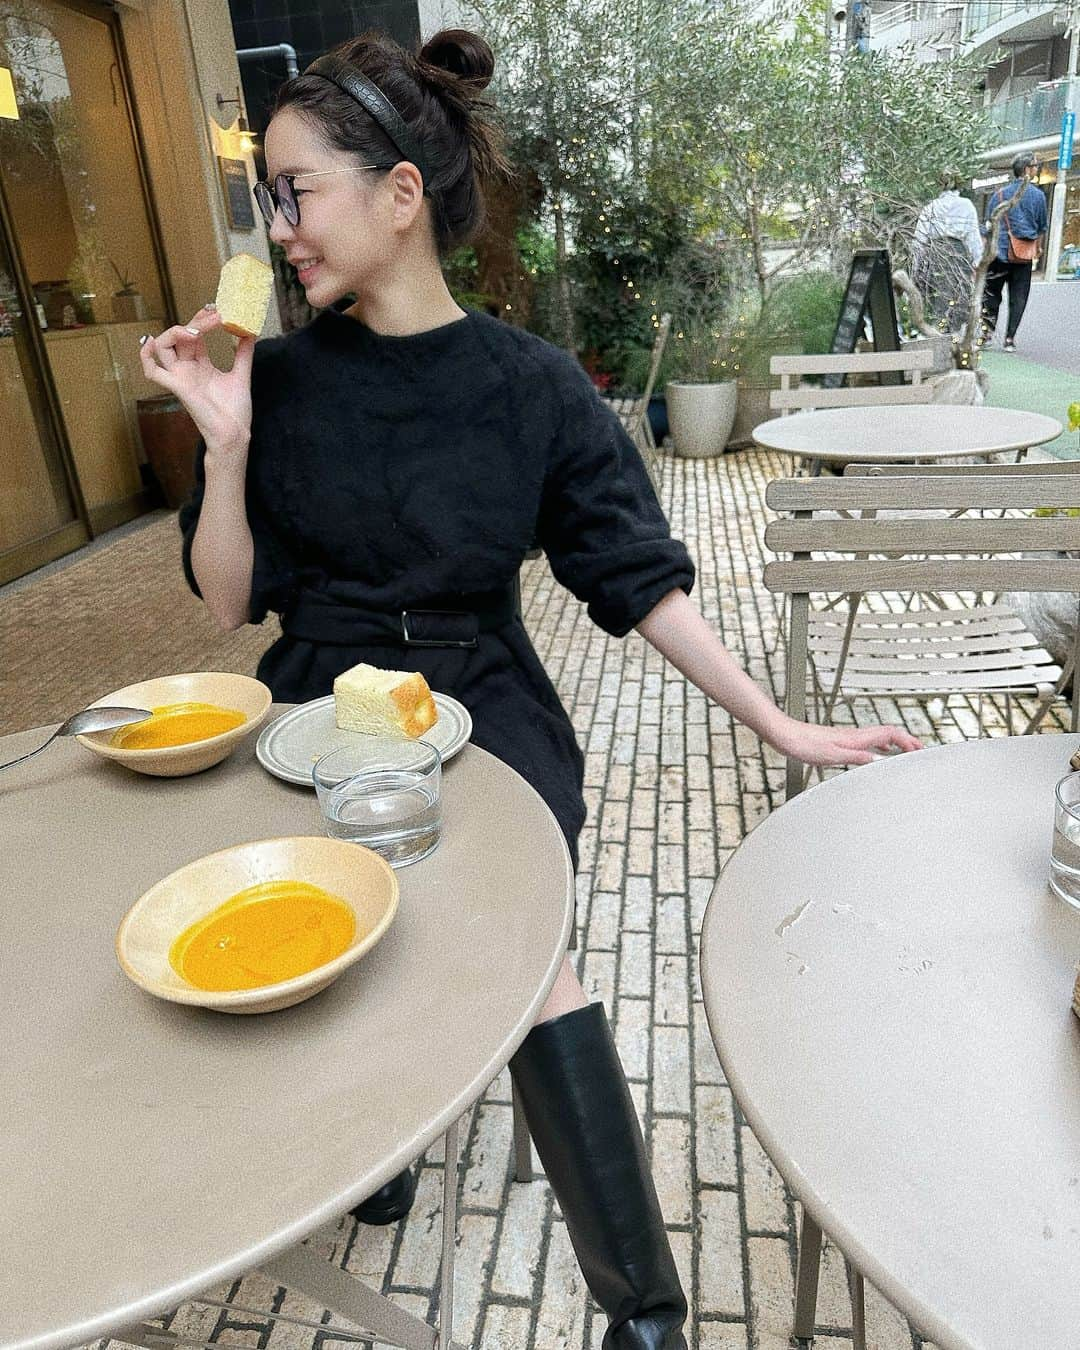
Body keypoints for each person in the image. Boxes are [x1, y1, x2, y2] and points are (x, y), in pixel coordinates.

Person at [139, 29, 920, 1347]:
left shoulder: (535, 389)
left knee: (528, 959)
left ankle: (646, 1304)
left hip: (482, 698)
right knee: (328, 936)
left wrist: (782, 722)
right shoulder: (271, 379)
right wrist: (223, 451)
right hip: (314, 703)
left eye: (296, 190)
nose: (278, 228)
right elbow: (224, 604)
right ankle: (375, 1149)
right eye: (266, 198)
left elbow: (642, 582)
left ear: (399, 194)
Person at [981, 153, 1048, 352]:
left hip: (998, 253)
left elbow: (989, 223)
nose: (1037, 169)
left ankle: (987, 334)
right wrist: (1039, 247)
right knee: (1018, 297)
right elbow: (1042, 226)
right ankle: (1010, 339)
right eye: (1035, 166)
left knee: (991, 294)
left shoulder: (999, 195)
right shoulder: (1038, 196)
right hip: (1023, 255)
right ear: (1027, 169)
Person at [912, 171, 982, 334]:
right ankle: (954, 331)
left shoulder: (931, 207)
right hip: (959, 253)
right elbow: (973, 235)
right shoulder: (966, 205)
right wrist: (978, 261)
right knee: (960, 292)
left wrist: (916, 265)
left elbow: (919, 239)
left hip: (936, 252)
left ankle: (936, 328)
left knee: (937, 292)